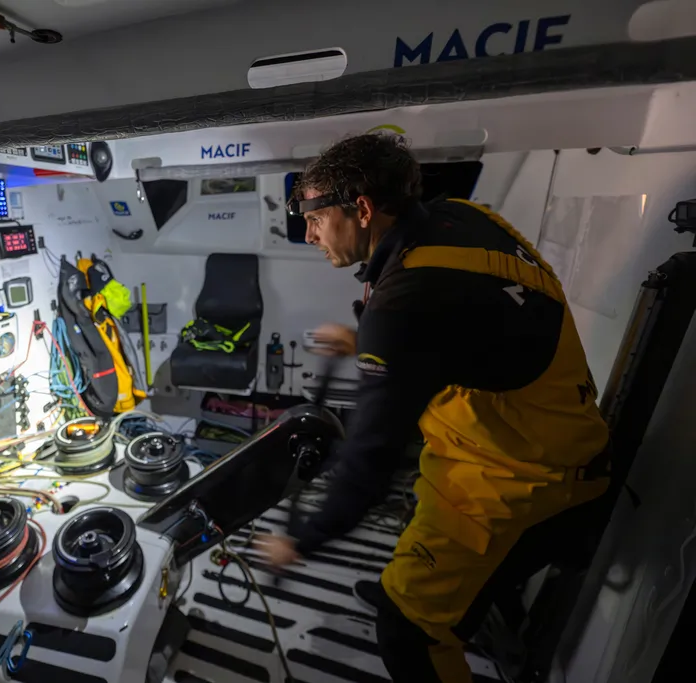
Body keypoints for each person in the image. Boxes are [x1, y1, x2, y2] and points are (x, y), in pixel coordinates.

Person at [260, 133, 612, 682]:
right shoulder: (462, 219)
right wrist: (362, 340)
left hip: (527, 481)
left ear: (362, 210)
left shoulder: (403, 305)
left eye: (315, 219)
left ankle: (412, 607)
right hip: (553, 438)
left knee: (407, 632)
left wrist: (299, 540)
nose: (309, 235)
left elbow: (369, 465)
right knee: (417, 527)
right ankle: (411, 586)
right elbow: (463, 327)